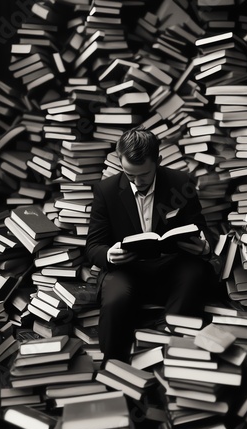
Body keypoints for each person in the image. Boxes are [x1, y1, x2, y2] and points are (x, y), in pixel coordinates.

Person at [85, 126, 215, 365]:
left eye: (143, 174)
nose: (136, 181)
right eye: (129, 174)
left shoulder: (179, 182)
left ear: (159, 161)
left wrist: (204, 247)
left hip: (172, 267)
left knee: (194, 274)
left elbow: (201, 228)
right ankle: (114, 367)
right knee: (115, 300)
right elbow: (93, 246)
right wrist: (110, 255)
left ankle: (179, 358)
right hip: (126, 271)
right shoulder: (106, 191)